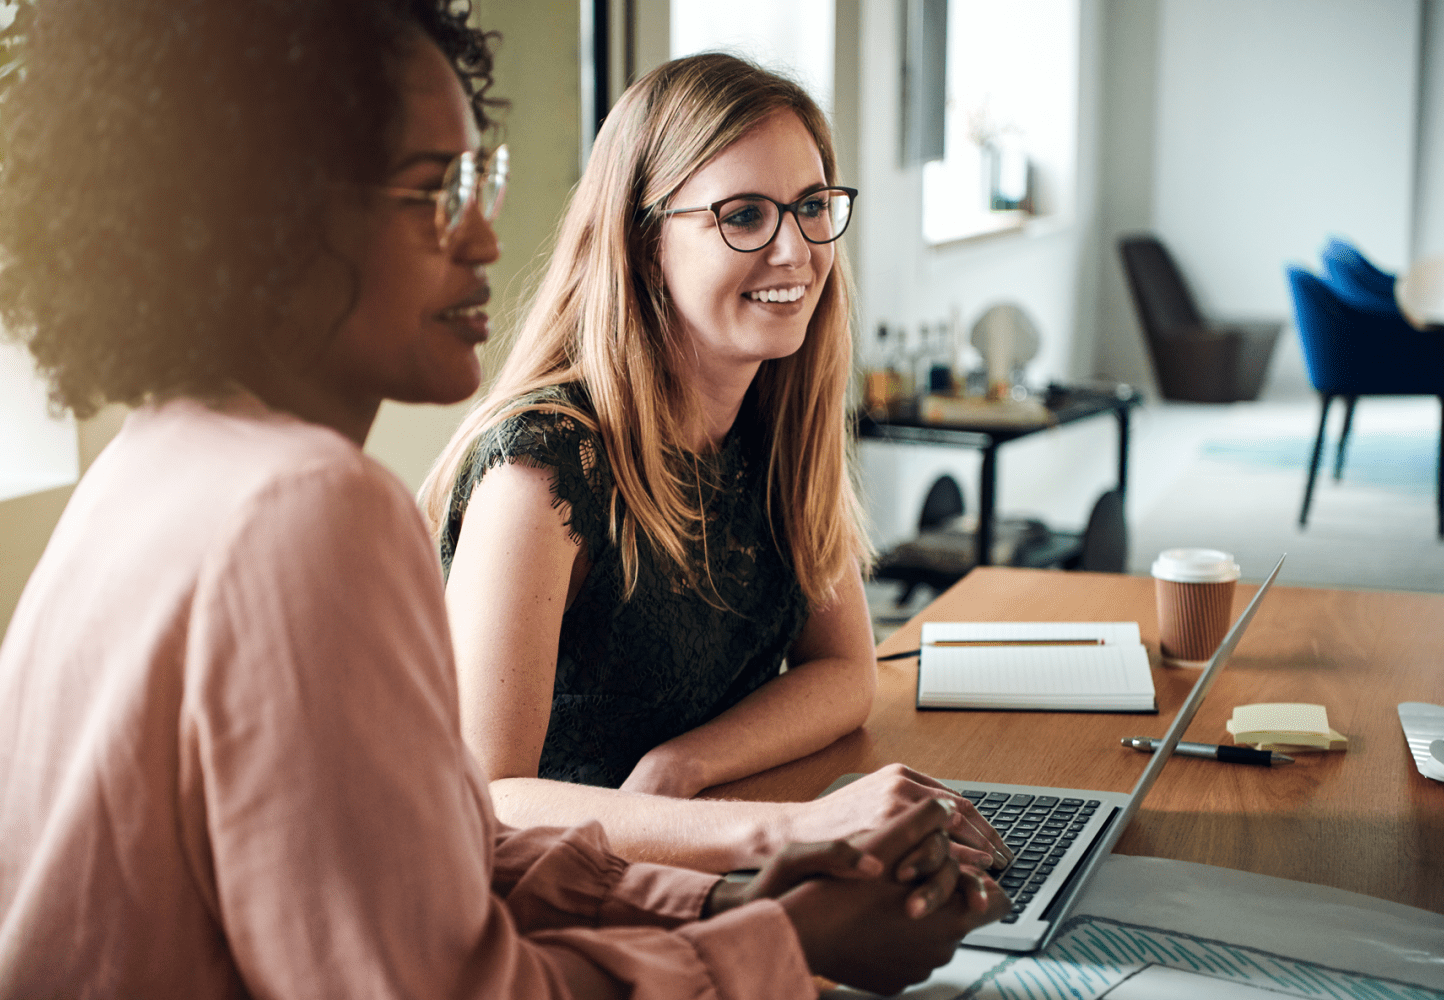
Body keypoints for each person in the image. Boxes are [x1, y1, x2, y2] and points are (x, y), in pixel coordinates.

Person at [0, 2, 1007, 997]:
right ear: (271, 216)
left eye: (481, 179)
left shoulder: (153, 458)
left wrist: (714, 901)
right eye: (435, 190)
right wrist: (774, 933)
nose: (483, 237)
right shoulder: (306, 508)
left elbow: (439, 855)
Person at [421, 52, 1011, 874]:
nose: (794, 251)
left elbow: (845, 672)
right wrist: (790, 830)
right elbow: (485, 795)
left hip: (695, 858)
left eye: (810, 207)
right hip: (565, 903)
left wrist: (685, 765)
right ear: (641, 236)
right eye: (742, 217)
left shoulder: (779, 411)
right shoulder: (544, 464)